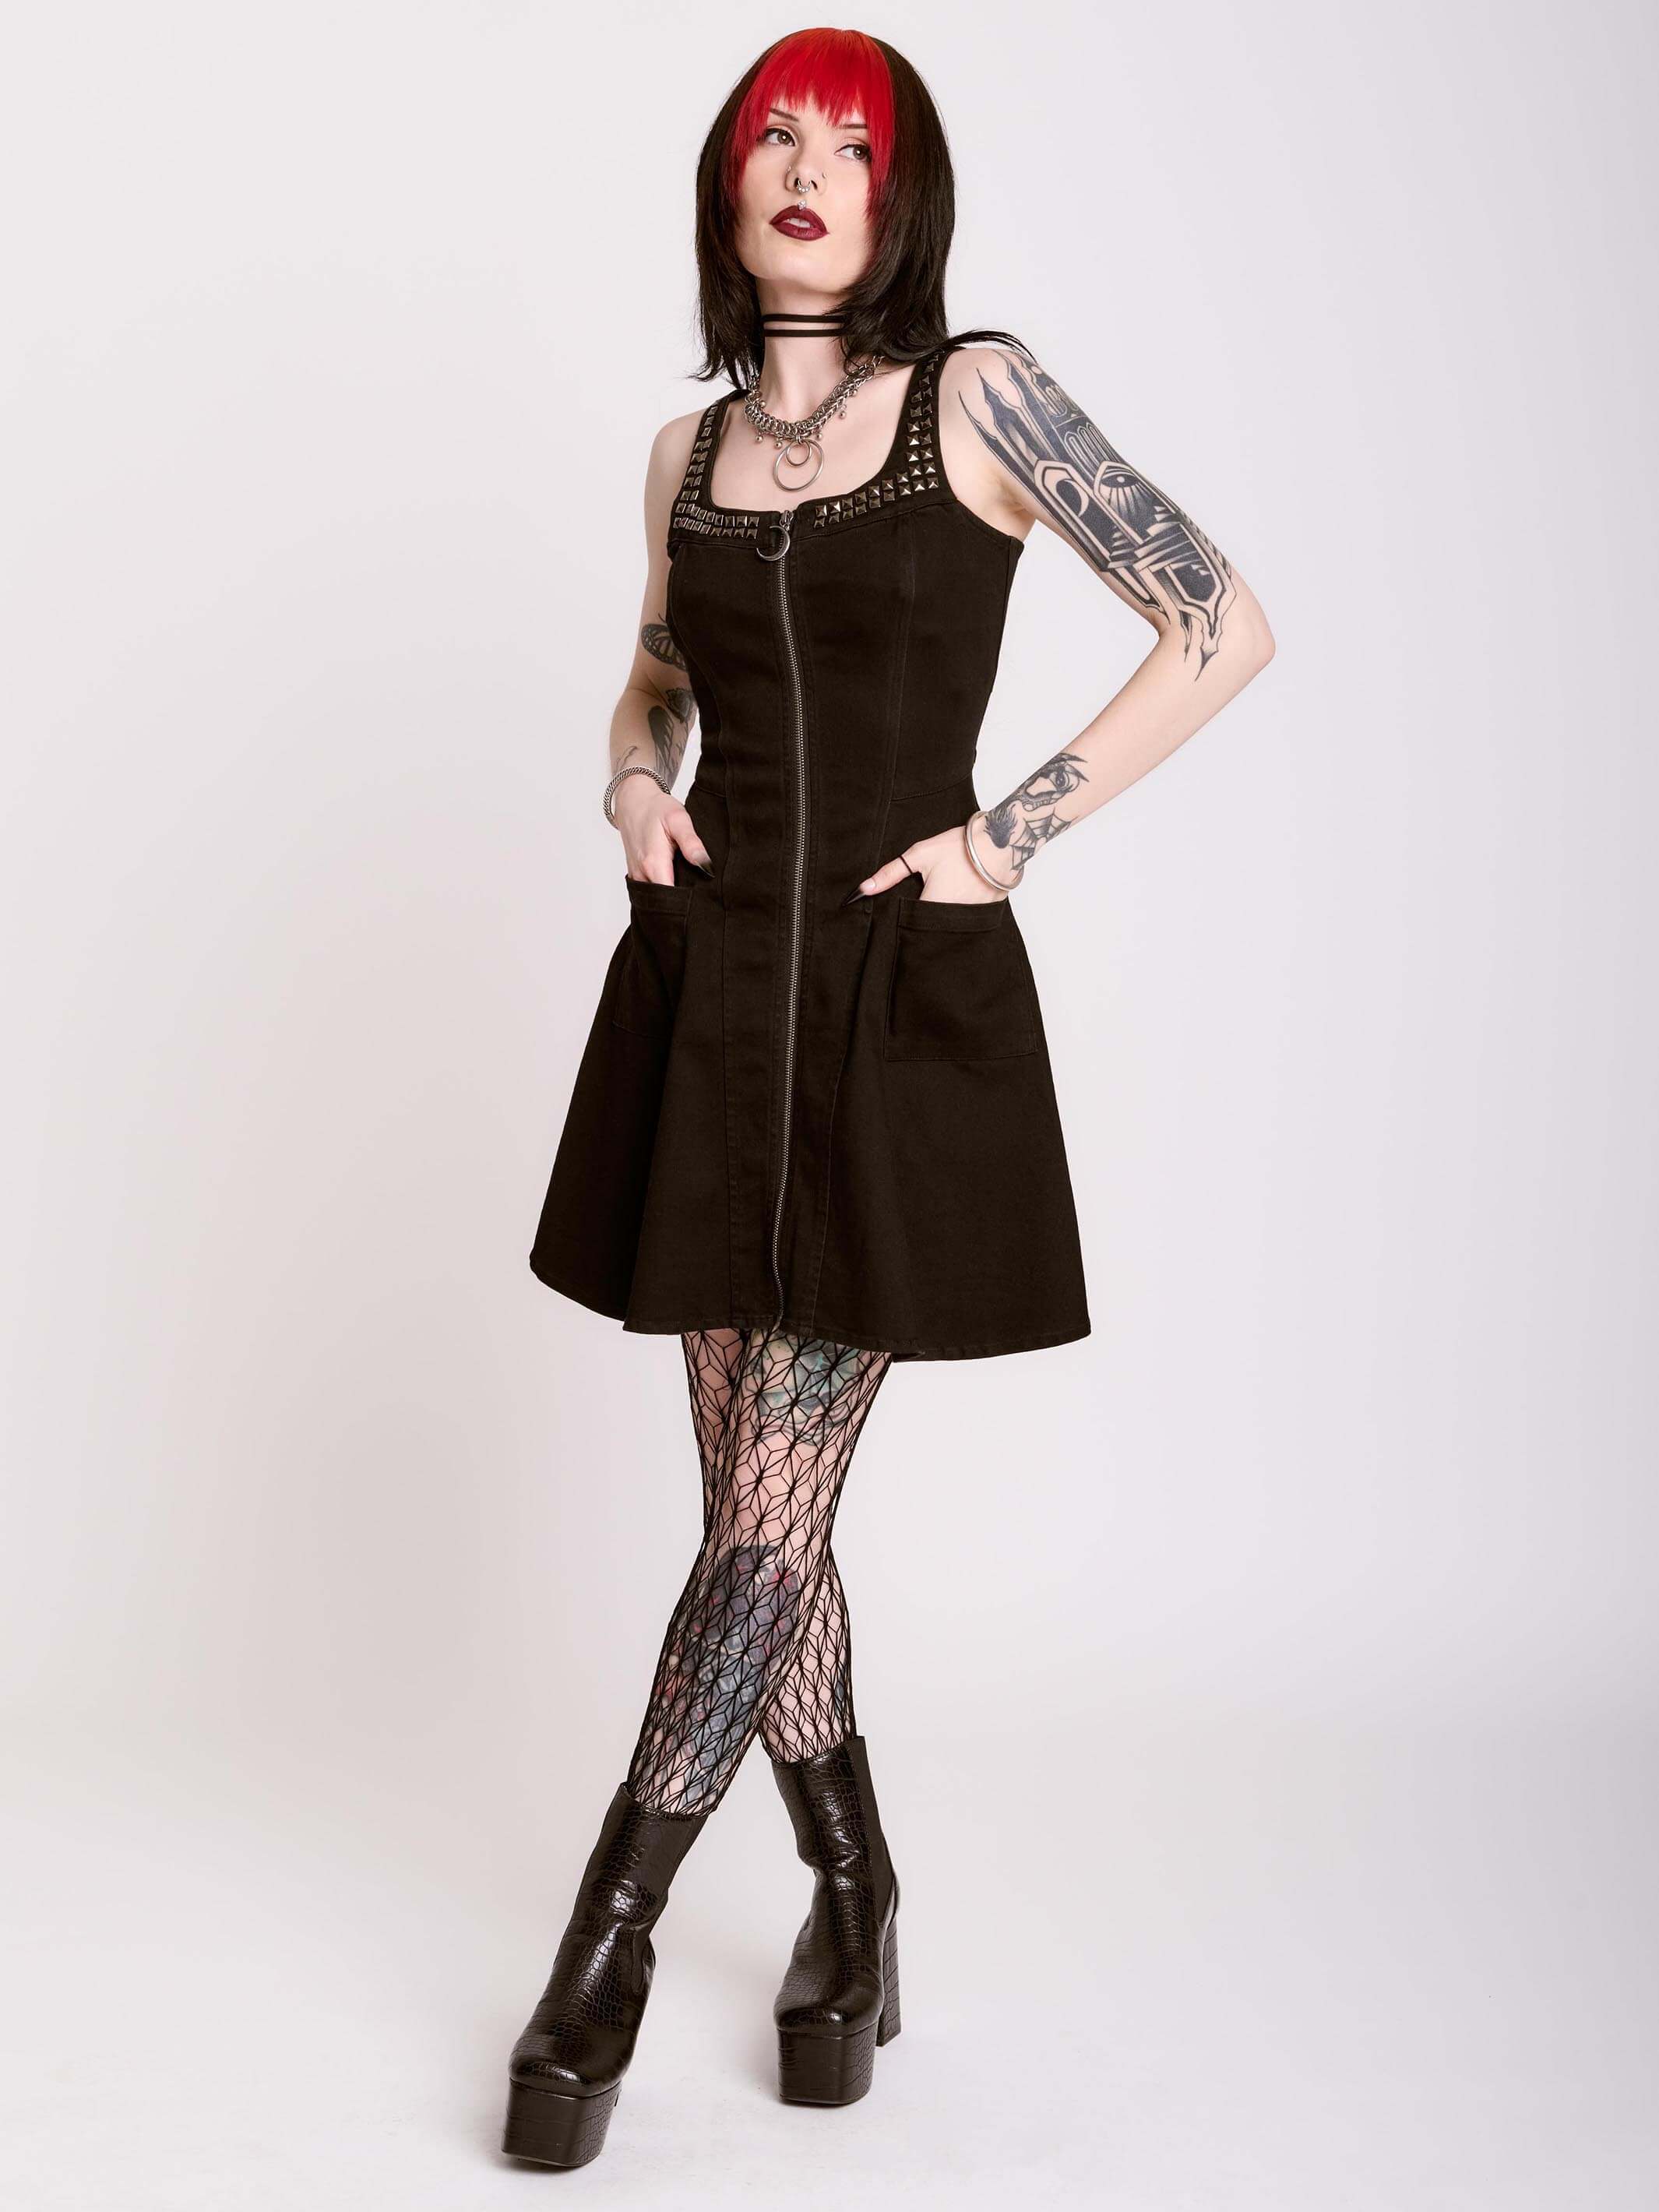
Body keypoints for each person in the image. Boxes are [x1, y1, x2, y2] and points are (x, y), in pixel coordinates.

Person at [504, 26, 1275, 2168]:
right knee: (765, 1523)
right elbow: (656, 674)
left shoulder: (976, 399)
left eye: (853, 143)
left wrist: (1012, 830)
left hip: (886, 1003)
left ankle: (608, 1938)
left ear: (901, 195)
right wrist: (630, 782)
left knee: (763, 1514)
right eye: (778, 134)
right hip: (706, 1005)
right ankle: (857, 1896)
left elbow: (1218, 619)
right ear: (726, 186)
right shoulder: (681, 456)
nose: (810, 166)